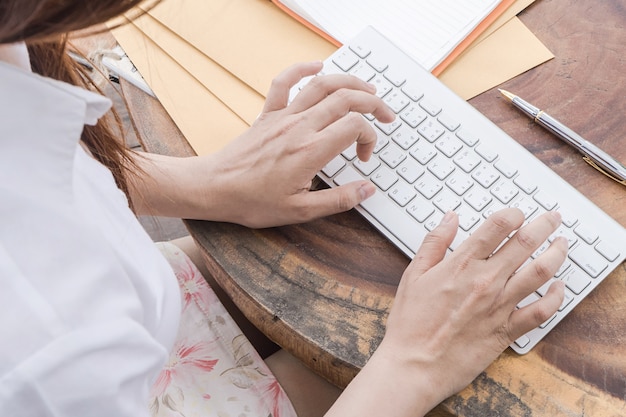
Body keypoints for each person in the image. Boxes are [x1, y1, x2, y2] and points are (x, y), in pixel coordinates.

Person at [0, 1, 568, 416]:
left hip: (136, 320)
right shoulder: (48, 345)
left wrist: (207, 182)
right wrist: (417, 363)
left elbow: (45, 172)